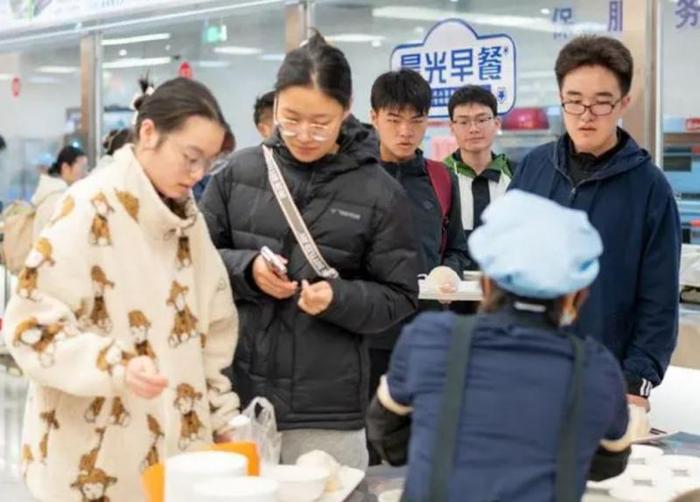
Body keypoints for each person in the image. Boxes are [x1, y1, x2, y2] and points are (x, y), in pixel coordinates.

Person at [4, 77, 240, 502]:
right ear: (148, 133)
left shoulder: (190, 224)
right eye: (190, 158)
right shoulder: (87, 208)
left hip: (179, 462)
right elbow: (30, 329)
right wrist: (114, 365)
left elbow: (215, 333)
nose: (198, 174)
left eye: (208, 162)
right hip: (92, 463)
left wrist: (224, 421)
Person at [200, 32, 419, 471]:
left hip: (327, 408)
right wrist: (246, 269)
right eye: (290, 118)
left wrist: (338, 298)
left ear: (347, 109)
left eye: (321, 122)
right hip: (235, 399)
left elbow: (400, 295)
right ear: (276, 103)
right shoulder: (237, 173)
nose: (303, 135)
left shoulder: (379, 192)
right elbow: (193, 262)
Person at [368, 190, 634, 502]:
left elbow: (388, 438)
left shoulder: (429, 339)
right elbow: (608, 464)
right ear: (576, 296)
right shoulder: (596, 369)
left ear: (486, 281)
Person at [509, 35, 681, 407]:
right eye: (574, 101)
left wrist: (636, 382)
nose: (586, 115)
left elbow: (659, 301)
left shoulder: (650, 189)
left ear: (623, 103)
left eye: (602, 103)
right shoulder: (533, 168)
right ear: (561, 99)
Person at [367, 69, 469, 462]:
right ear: (374, 117)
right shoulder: (354, 178)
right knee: (366, 449)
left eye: (416, 120)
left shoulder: (441, 178)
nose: (406, 131)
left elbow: (457, 248)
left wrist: (450, 271)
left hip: (426, 336)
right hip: (366, 339)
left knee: (422, 447)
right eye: (394, 119)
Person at [445, 85, 515, 268]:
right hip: (451, 282)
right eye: (463, 122)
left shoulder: (517, 176)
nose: (473, 129)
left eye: (482, 119)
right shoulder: (439, 177)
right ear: (452, 127)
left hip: (505, 281)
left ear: (497, 123)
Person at [31, 145, 87, 241]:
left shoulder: (51, 193)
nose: (85, 174)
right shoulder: (58, 199)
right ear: (65, 167)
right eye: (82, 168)